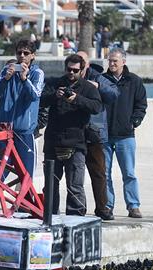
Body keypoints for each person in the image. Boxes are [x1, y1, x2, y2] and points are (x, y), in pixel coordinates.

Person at [41, 54, 102, 216]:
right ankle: (50, 215)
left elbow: (96, 107)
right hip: (53, 142)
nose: (71, 73)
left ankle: (76, 216)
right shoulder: (55, 84)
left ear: (82, 71)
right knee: (51, 184)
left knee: (75, 185)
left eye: (75, 70)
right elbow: (39, 101)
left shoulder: (88, 88)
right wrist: (55, 96)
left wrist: (77, 99)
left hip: (76, 143)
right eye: (69, 69)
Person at [102, 48, 147, 218]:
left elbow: (141, 104)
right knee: (104, 174)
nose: (112, 63)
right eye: (110, 60)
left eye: (115, 61)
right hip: (104, 136)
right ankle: (107, 206)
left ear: (123, 62)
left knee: (129, 173)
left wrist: (135, 121)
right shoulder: (102, 80)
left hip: (126, 136)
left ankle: (133, 206)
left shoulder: (134, 81)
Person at [0, 39, 44, 178]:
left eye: (26, 53)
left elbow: (35, 95)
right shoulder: (6, 70)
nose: (21, 56)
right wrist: (6, 78)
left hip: (24, 132)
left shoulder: (37, 73)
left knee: (26, 177)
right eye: (19, 52)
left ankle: (23, 200)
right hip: (4, 130)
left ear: (33, 55)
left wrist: (24, 79)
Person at [77, 51, 119, 221]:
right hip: (75, 132)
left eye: (82, 62)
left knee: (99, 173)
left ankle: (102, 208)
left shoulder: (97, 77)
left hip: (95, 132)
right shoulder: (70, 76)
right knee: (75, 174)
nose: (77, 66)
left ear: (87, 64)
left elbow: (114, 93)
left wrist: (98, 86)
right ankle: (77, 208)